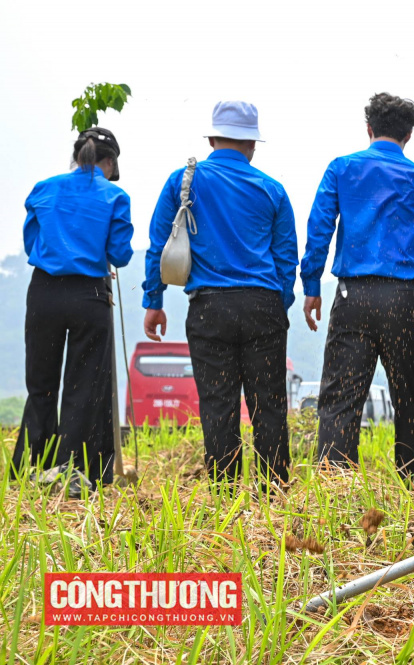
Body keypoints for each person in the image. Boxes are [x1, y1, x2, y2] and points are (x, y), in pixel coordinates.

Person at [142, 101, 298, 490]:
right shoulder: (271, 189)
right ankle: (273, 494)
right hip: (262, 304)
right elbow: (286, 258)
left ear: (212, 138)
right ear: (253, 145)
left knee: (218, 405)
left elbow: (160, 244)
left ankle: (225, 495)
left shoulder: (185, 181)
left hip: (209, 306)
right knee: (269, 406)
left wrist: (154, 300)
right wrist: (279, 306)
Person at [300, 92, 414, 480]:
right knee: (409, 401)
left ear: (368, 128)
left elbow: (319, 229)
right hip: (404, 297)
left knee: (341, 400)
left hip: (354, 295)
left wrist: (311, 284)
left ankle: (334, 488)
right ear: (409, 135)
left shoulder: (342, 169)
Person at [10, 128, 133, 497]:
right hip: (89, 295)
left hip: (44, 291)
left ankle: (35, 468)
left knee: (41, 384)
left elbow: (32, 240)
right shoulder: (115, 195)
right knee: (84, 387)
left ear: (78, 156)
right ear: (109, 162)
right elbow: (121, 254)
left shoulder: (44, 188)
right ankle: (75, 475)